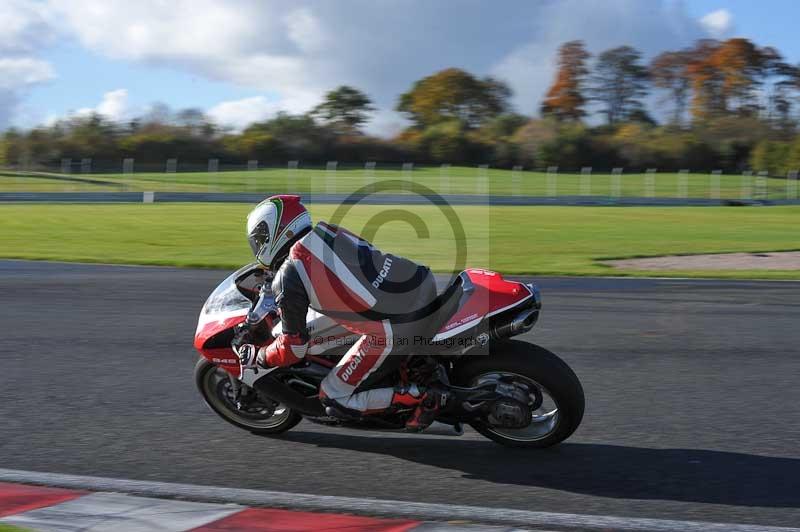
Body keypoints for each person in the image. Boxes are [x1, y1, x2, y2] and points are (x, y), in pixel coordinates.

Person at [237, 195, 444, 430]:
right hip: (420, 282)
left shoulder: (289, 275)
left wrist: (261, 356)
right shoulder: (328, 231)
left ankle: (422, 397)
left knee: (333, 397)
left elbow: (294, 348)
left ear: (276, 232)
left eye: (260, 240)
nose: (259, 246)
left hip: (396, 326)